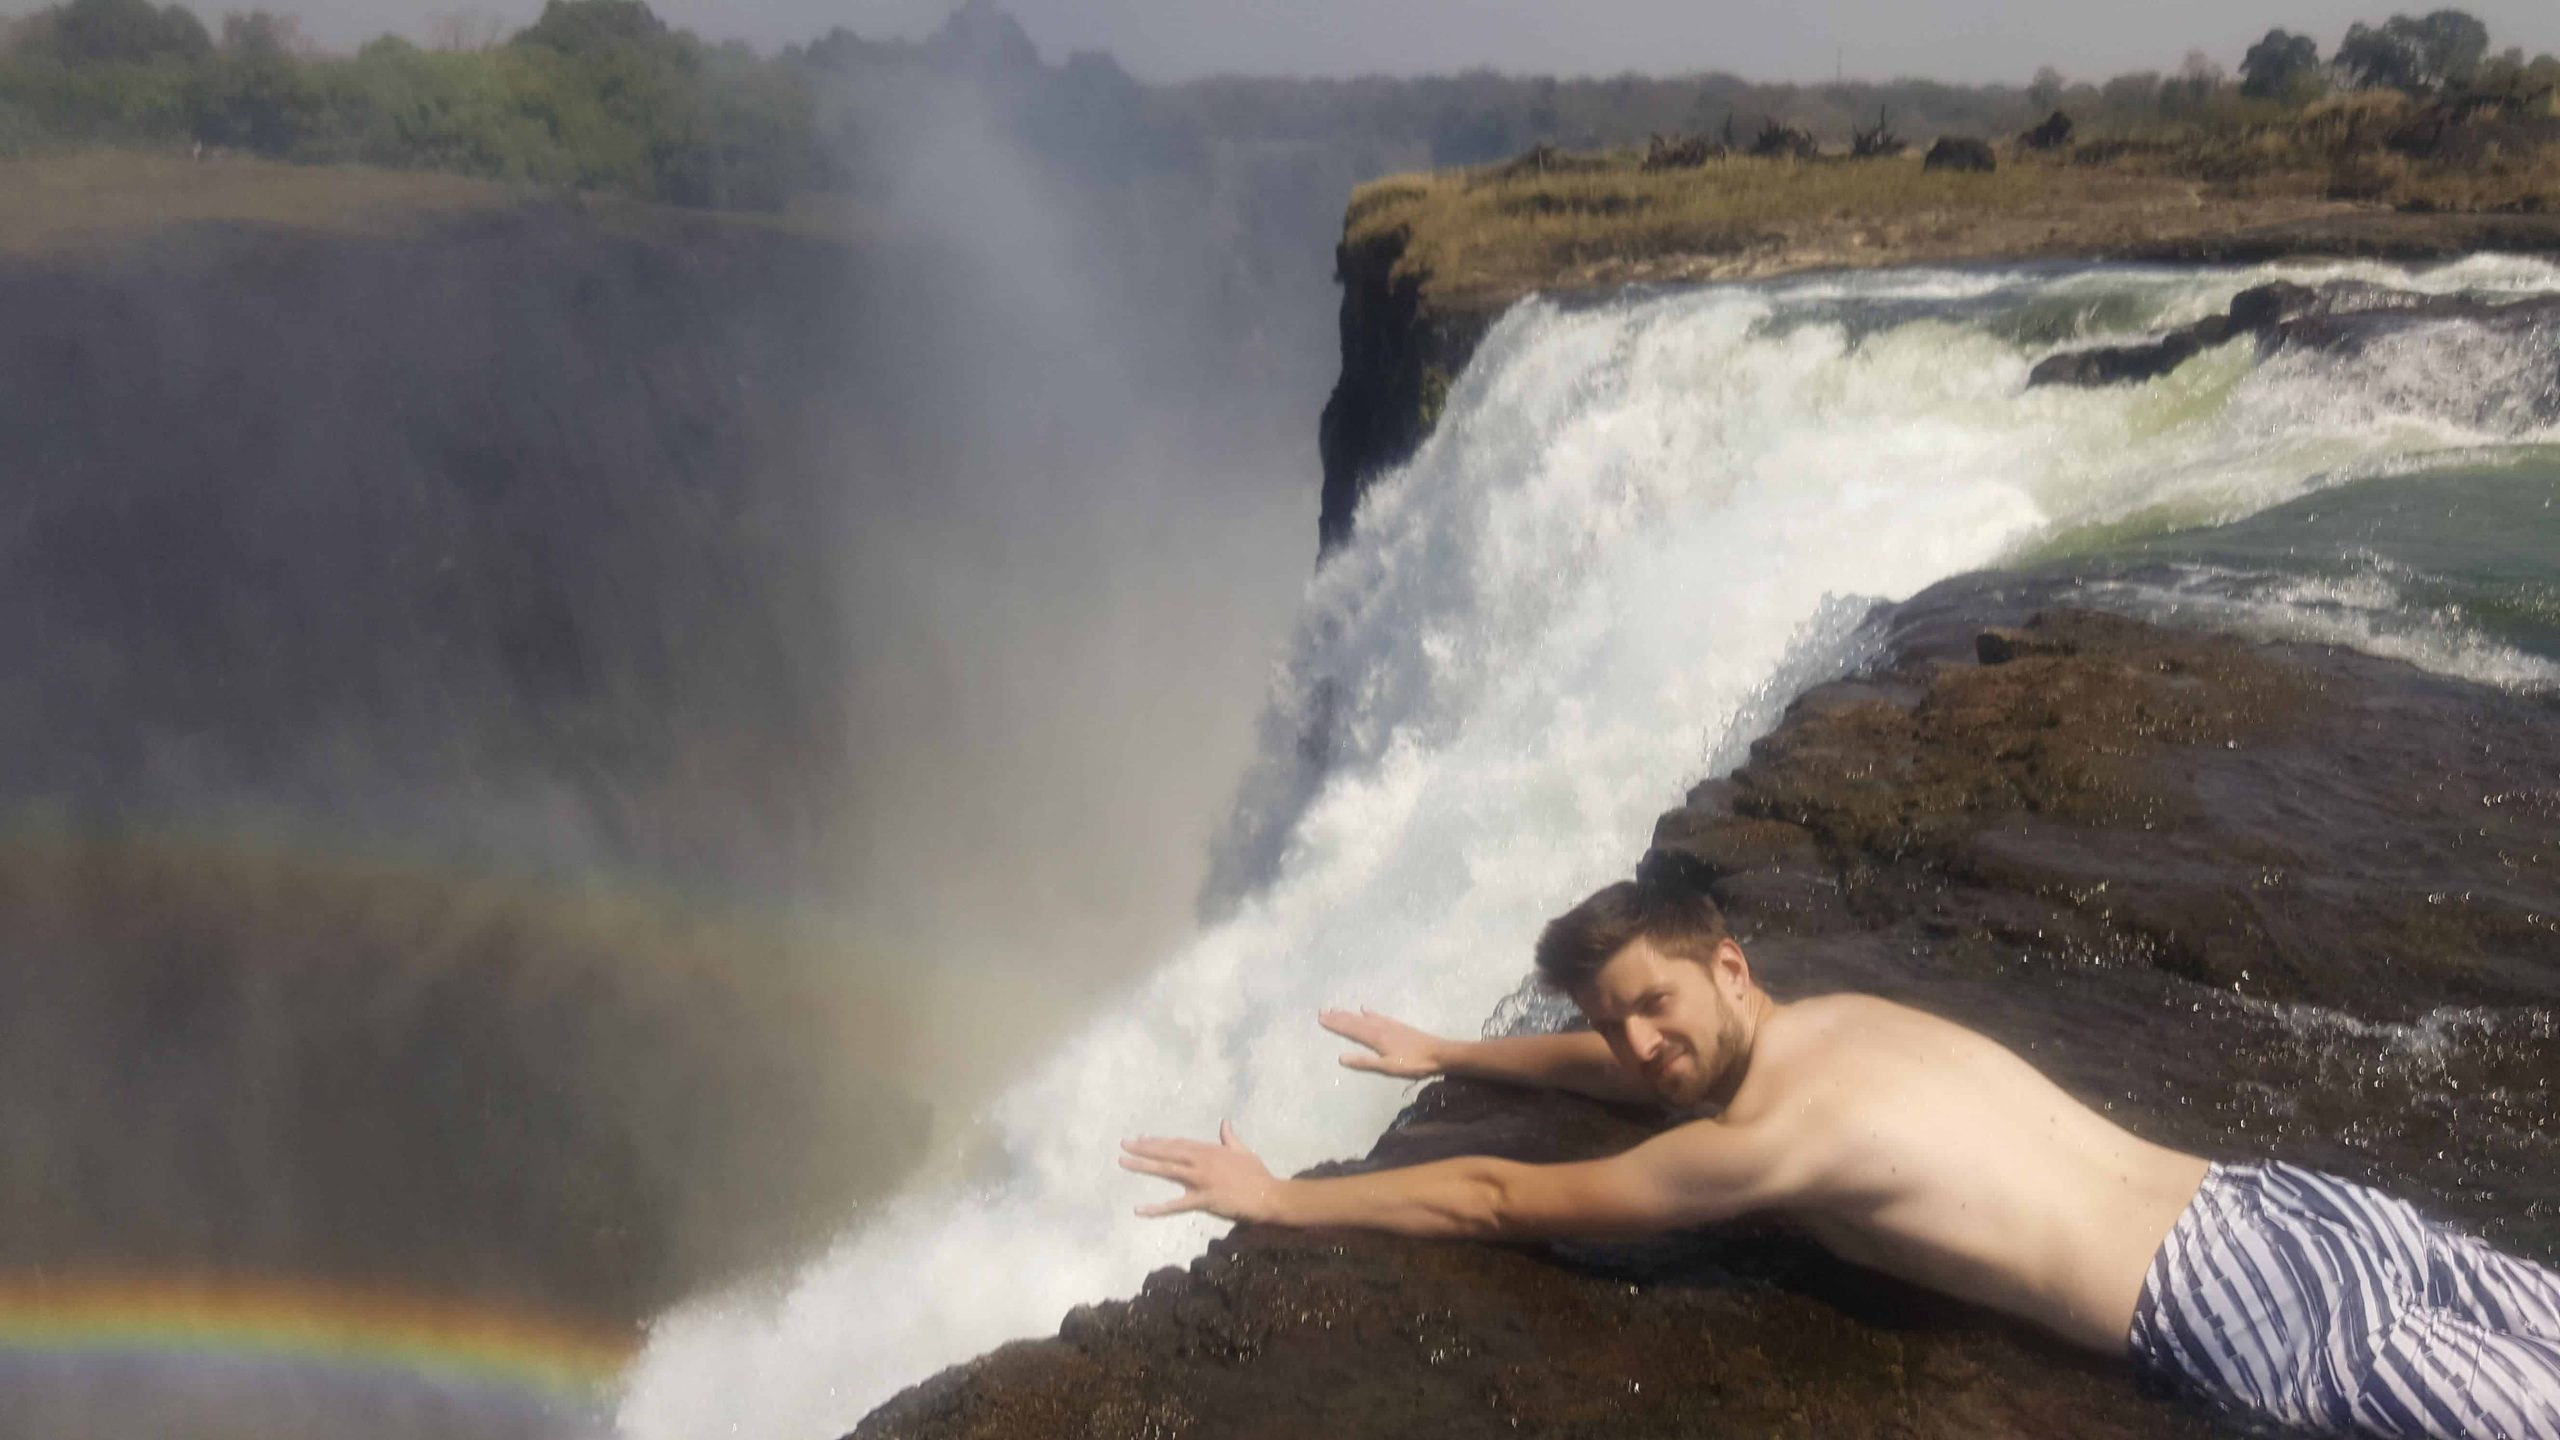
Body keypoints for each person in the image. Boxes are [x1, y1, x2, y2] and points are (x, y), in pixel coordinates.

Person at [1121, 853, 2560, 1439]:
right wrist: (1451, 1050)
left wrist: (1287, 1203)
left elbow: (1503, 1197)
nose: (1636, 1049)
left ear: (1726, 966)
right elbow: (1625, 1072)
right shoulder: (1830, 1022)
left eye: (1655, 1008)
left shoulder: (1770, 1147)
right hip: (2310, 1212)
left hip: (2237, 1302)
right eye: (1615, 1023)